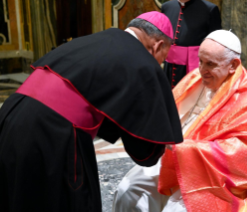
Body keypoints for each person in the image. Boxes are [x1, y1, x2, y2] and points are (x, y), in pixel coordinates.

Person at [0, 11, 183, 212]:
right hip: (50, 134)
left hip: (12, 116)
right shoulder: (143, 61)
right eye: (162, 58)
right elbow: (144, 151)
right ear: (158, 45)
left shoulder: (96, 39)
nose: (159, 63)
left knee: (17, 192)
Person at [113, 30, 247, 212]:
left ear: (233, 65)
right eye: (200, 61)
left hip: (213, 175)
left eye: (210, 64)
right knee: (128, 189)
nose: (201, 70)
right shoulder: (195, 78)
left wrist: (183, 148)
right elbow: (170, 110)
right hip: (173, 157)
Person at [161, 0, 222, 89]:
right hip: (169, 69)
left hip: (195, 70)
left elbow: (216, 45)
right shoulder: (167, 7)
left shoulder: (210, 9)